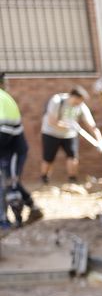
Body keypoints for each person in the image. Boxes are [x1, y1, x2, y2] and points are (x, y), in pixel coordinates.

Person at [0, 73, 43, 228]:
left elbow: (6, 131)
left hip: (12, 151)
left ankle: (18, 221)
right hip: (5, 150)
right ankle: (34, 208)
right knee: (11, 182)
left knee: (10, 183)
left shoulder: (3, 99)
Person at [36, 87, 96, 189]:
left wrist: (99, 140)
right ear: (73, 96)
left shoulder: (81, 105)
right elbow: (52, 121)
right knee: (48, 158)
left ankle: (72, 180)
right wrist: (69, 125)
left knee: (72, 157)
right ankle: (44, 179)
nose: (79, 103)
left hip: (69, 134)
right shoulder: (57, 101)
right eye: (79, 100)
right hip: (51, 133)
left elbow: (91, 124)